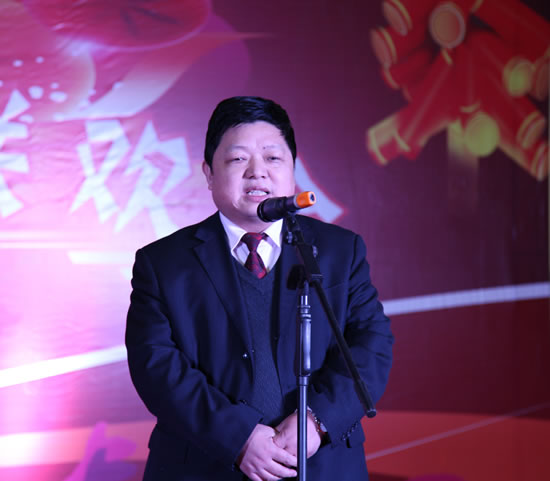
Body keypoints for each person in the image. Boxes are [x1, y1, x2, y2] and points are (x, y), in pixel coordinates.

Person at [125, 96, 393, 481]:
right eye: (238, 159)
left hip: (323, 464)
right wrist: (237, 437)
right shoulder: (163, 263)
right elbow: (156, 366)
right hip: (203, 466)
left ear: (292, 169)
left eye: (272, 158)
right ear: (208, 173)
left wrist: (316, 421)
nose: (257, 172)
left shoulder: (339, 250)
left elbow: (370, 344)